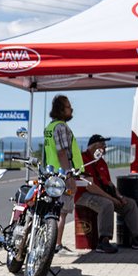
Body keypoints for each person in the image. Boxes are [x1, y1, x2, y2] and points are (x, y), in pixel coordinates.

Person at [78, 134, 138, 251]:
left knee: (130, 204)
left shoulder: (101, 162)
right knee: (106, 204)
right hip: (84, 194)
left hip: (101, 193)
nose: (105, 148)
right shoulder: (83, 160)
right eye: (102, 145)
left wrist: (119, 196)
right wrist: (112, 199)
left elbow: (109, 184)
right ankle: (103, 241)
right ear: (94, 147)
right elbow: (90, 187)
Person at [42, 94, 82, 251]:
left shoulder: (49, 127)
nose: (71, 109)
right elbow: (62, 153)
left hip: (52, 174)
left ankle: (49, 244)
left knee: (52, 211)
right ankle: (56, 245)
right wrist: (69, 176)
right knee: (62, 212)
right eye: (68, 106)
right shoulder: (61, 127)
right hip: (62, 176)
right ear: (61, 110)